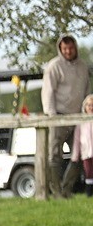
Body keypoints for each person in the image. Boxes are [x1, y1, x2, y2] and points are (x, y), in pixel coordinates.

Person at [41, 35, 89, 197]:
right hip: (58, 116)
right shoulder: (54, 66)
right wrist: (52, 115)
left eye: (71, 48)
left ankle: (67, 189)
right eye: (65, 48)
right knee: (54, 155)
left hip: (78, 117)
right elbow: (47, 92)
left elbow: (87, 90)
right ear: (60, 49)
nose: (68, 51)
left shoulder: (83, 66)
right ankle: (56, 192)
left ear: (75, 47)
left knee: (80, 153)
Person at [72, 94, 93, 197]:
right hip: (86, 151)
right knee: (88, 172)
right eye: (88, 105)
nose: (91, 107)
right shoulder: (81, 122)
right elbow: (77, 139)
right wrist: (75, 155)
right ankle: (89, 192)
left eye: (92, 105)